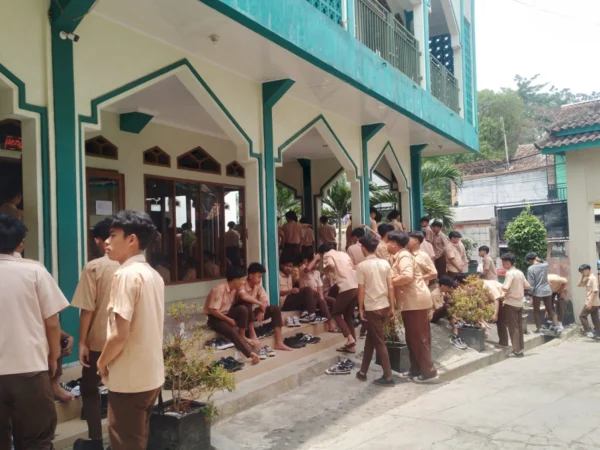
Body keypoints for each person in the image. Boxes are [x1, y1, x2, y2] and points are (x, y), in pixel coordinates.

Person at [95, 211, 165, 450]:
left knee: (125, 443)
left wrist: (102, 363)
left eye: (113, 235)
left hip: (129, 379)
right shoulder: (153, 274)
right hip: (150, 375)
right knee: (138, 440)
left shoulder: (126, 274)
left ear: (132, 240)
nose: (106, 241)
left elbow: (119, 334)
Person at [0, 213, 69, 449]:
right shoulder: (35, 272)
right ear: (20, 243)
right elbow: (52, 323)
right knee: (36, 440)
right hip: (29, 370)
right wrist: (52, 357)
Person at [71, 218, 121, 450]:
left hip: (99, 341)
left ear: (98, 241)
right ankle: (119, 440)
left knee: (90, 390)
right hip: (127, 341)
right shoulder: (137, 267)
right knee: (121, 391)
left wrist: (82, 342)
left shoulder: (94, 267)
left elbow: (87, 309)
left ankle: (96, 440)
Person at [387, 231, 437, 383]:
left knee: (419, 337)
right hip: (410, 302)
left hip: (416, 301)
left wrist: (389, 282)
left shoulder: (403, 256)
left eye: (388, 242)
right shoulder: (401, 256)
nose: (386, 245)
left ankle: (428, 371)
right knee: (412, 337)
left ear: (394, 244)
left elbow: (407, 276)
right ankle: (415, 369)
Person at [355, 233, 395, 387]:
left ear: (363, 248)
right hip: (384, 305)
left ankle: (388, 376)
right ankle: (363, 371)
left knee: (378, 341)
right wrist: (392, 306)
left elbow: (361, 290)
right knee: (371, 339)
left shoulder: (362, 266)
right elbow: (390, 286)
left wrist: (360, 308)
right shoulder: (385, 263)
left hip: (372, 307)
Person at [237, 263, 294, 352]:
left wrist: (262, 310)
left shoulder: (258, 286)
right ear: (251, 276)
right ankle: (253, 335)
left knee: (275, 309)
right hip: (240, 316)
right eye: (259, 277)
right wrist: (259, 303)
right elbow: (244, 297)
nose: (260, 279)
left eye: (261, 277)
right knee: (247, 304)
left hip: (251, 315)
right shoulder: (242, 284)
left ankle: (279, 342)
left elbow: (265, 299)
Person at [320, 243, 359, 353]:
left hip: (346, 287)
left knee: (336, 313)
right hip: (356, 285)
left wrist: (325, 270)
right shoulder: (343, 253)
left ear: (323, 252)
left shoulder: (327, 255)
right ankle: (352, 345)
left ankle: (350, 339)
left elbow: (331, 265)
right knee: (348, 316)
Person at [500, 253, 531, 358]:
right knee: (519, 326)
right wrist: (518, 288)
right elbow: (527, 286)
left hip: (510, 303)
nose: (503, 265)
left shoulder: (509, 273)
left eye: (503, 263)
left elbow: (505, 287)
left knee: (513, 327)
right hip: (520, 303)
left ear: (508, 263)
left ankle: (516, 350)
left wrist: (502, 294)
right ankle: (520, 348)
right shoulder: (520, 272)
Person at [279, 257, 326, 324]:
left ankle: (306, 313)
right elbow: (276, 294)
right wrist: (290, 291)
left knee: (316, 294)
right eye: (286, 266)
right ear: (281, 265)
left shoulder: (290, 276)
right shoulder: (277, 276)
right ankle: (311, 314)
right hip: (284, 303)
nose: (289, 268)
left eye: (291, 266)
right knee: (307, 289)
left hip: (292, 301)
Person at [300, 251, 336, 331]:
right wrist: (315, 258)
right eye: (314, 263)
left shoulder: (317, 273)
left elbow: (320, 287)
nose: (316, 265)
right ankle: (329, 322)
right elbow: (307, 269)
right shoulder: (302, 268)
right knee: (311, 291)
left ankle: (332, 320)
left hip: (315, 297)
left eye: (317, 263)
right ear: (307, 261)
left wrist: (322, 299)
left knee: (332, 300)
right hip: (304, 297)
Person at [525, 252, 559, 333]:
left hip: (537, 292)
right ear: (536, 258)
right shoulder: (544, 265)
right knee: (550, 309)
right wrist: (540, 259)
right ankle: (557, 326)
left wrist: (530, 292)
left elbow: (531, 283)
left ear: (529, 260)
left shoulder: (531, 269)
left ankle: (539, 328)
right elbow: (545, 262)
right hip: (547, 290)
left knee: (536, 311)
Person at [429, 276, 465, 349]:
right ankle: (454, 327)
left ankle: (455, 320)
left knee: (450, 302)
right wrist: (454, 317)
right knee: (447, 306)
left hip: (438, 311)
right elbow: (439, 308)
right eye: (448, 287)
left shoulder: (441, 292)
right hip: (432, 316)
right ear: (443, 286)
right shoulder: (435, 294)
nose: (449, 289)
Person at [484, 275, 509, 349]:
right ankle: (504, 342)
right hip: (504, 298)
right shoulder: (488, 282)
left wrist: (495, 314)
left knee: (501, 322)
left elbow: (496, 299)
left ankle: (503, 343)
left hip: (503, 300)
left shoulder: (487, 285)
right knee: (502, 322)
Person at [577, 264, 600, 339]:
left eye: (582, 272)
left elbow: (595, 291)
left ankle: (588, 332)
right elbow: (579, 285)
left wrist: (590, 303)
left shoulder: (593, 278)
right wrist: (582, 276)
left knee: (582, 316)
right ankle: (598, 333)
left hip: (591, 302)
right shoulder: (588, 278)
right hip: (595, 302)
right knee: (595, 319)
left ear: (587, 270)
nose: (582, 274)